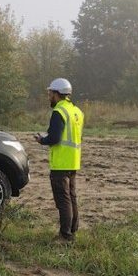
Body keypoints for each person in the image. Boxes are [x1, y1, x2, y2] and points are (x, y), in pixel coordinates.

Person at [34, 78, 84, 241]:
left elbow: (55, 138)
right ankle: (73, 230)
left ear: (57, 94)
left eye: (50, 93)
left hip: (61, 163)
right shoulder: (77, 111)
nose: (49, 96)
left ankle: (65, 235)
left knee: (63, 200)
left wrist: (42, 140)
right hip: (73, 161)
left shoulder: (59, 112)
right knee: (71, 196)